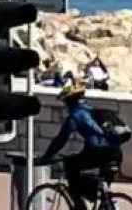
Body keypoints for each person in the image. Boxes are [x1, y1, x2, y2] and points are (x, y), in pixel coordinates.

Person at [37, 80, 120, 210]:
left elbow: (61, 139)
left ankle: (82, 206)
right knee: (94, 183)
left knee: (71, 166)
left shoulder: (76, 115)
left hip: (99, 153)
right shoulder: (91, 110)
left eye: (66, 103)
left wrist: (47, 157)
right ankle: (105, 201)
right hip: (115, 152)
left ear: (70, 102)